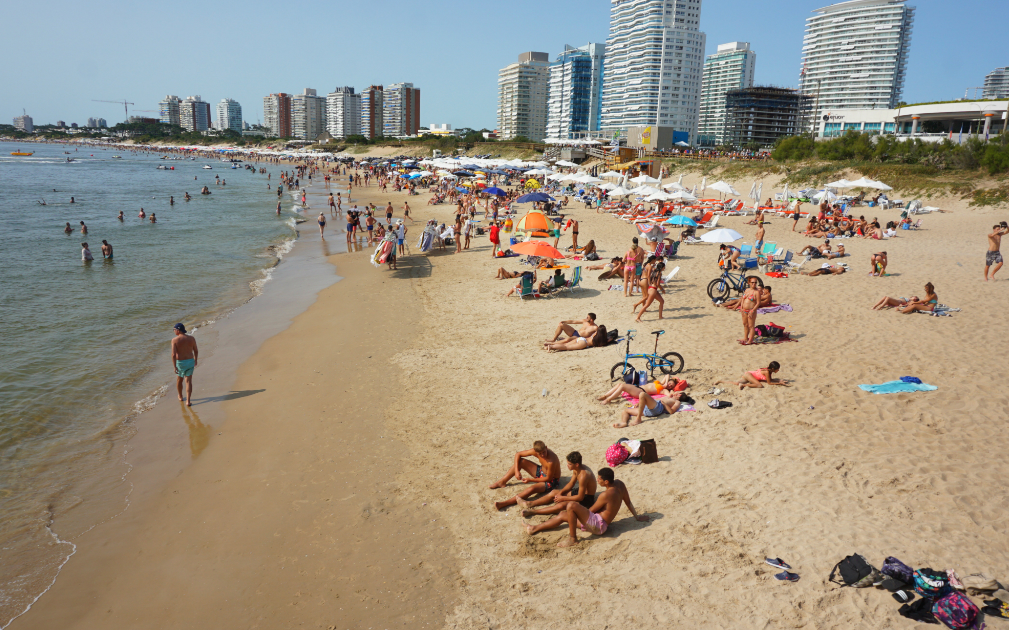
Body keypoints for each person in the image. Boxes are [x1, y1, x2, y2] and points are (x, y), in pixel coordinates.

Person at [524, 468, 649, 548]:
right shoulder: (620, 484)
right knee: (562, 515)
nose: (597, 480)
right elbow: (628, 502)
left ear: (606, 482)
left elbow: (591, 511)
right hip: (601, 523)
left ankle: (573, 539)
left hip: (598, 526)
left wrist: (574, 511)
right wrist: (637, 517)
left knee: (571, 506)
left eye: (599, 479)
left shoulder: (605, 495)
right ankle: (534, 528)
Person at [518, 452, 596, 517]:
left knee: (560, 506)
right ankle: (530, 503)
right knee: (554, 492)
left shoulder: (583, 476)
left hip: (586, 499)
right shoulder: (576, 469)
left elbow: (580, 497)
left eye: (569, 464)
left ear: (577, 464)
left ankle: (533, 512)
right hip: (580, 492)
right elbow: (571, 483)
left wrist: (563, 498)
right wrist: (560, 493)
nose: (567, 465)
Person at [490, 441, 562, 510]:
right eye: (540, 453)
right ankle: (502, 482)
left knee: (531, 489)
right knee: (521, 462)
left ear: (546, 447)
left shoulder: (551, 461)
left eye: (544, 452)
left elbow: (548, 478)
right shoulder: (534, 451)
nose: (542, 455)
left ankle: (504, 503)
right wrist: (516, 471)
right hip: (541, 471)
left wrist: (531, 480)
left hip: (552, 480)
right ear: (535, 452)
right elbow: (518, 454)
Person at [613, 389, 681, 428]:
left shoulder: (677, 402)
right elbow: (671, 390)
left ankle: (638, 419)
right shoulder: (669, 397)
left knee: (642, 394)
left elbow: (671, 411)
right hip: (648, 409)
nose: (676, 393)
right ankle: (623, 422)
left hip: (657, 407)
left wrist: (664, 404)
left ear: (680, 396)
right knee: (626, 411)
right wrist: (639, 403)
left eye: (678, 394)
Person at [171, 323, 199, 406]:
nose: (174, 331)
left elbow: (173, 354)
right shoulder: (191, 338)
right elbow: (196, 351)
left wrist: (174, 366)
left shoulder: (175, 340)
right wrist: (195, 360)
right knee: (188, 381)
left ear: (178, 330)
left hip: (181, 363)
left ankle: (180, 396)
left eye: (174, 330)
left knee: (179, 380)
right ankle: (188, 401)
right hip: (190, 361)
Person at [715, 361, 789, 390]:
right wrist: (779, 383)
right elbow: (769, 383)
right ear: (773, 368)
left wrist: (780, 380)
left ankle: (720, 381)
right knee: (759, 385)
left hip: (749, 375)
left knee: (737, 383)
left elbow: (770, 380)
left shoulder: (769, 371)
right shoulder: (767, 372)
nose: (778, 370)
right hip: (749, 375)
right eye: (777, 369)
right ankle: (744, 385)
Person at [543, 326, 609, 352]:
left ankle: (550, 345)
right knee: (565, 347)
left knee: (566, 344)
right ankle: (551, 346)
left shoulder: (595, 334)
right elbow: (609, 339)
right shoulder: (602, 340)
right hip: (584, 343)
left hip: (581, 338)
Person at [738, 276, 761, 345]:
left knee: (751, 326)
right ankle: (745, 338)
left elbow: (758, 303)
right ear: (749, 283)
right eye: (752, 282)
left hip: (751, 310)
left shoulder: (756, 292)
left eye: (755, 283)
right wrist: (741, 308)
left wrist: (753, 310)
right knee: (745, 324)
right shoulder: (747, 290)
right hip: (744, 310)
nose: (754, 284)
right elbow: (743, 299)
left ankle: (750, 340)